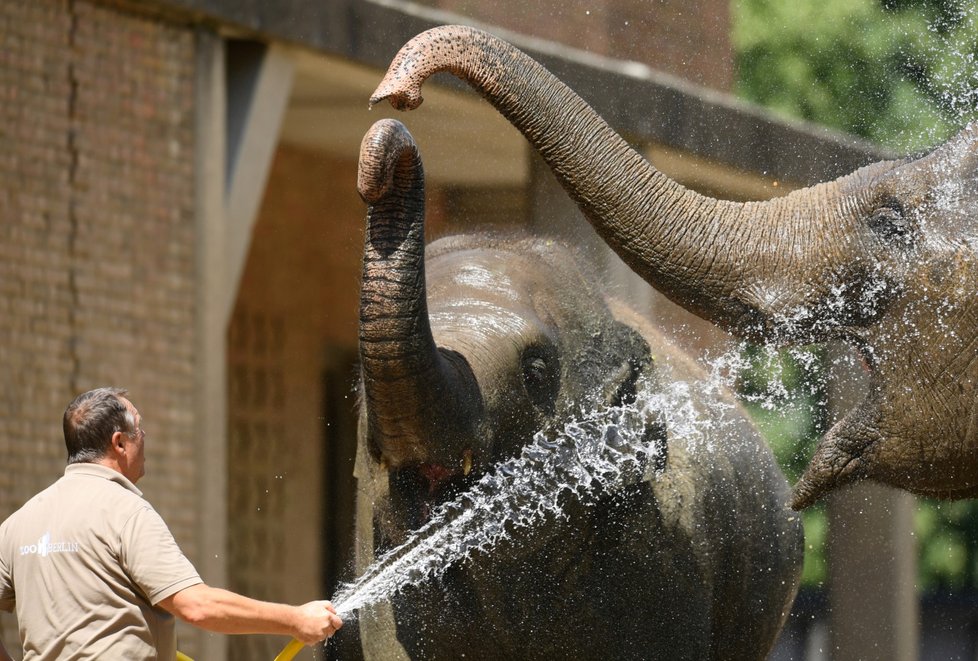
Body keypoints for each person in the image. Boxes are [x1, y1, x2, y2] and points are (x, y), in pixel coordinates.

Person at [0, 387, 342, 660]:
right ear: (119, 443)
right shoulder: (125, 512)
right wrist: (297, 620)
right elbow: (197, 606)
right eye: (139, 426)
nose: (145, 436)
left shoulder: (18, 524)